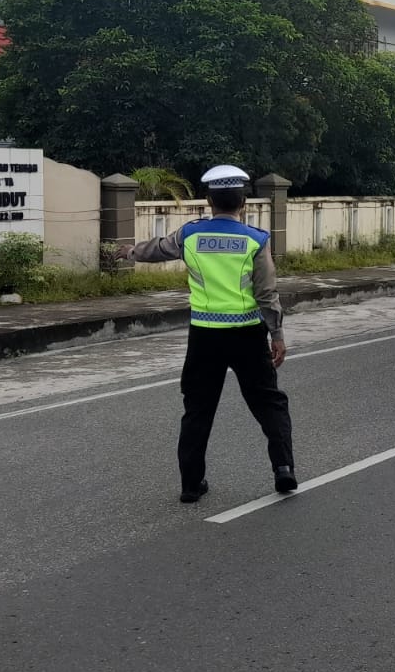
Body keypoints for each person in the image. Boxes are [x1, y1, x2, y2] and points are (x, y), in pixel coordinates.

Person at [120, 165, 296, 503]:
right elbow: (266, 293)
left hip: (204, 336)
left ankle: (190, 485)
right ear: (243, 201)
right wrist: (277, 335)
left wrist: (129, 251)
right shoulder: (256, 240)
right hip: (247, 335)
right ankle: (283, 469)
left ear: (209, 200)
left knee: (198, 408)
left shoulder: (191, 234)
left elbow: (157, 249)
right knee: (270, 403)